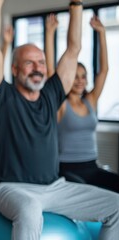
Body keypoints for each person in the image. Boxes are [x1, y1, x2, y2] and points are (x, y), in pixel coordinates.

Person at [0, 0, 119, 239]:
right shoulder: (1, 96)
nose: (37, 68)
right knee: (30, 208)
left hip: (55, 187)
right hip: (10, 188)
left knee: (116, 205)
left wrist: (76, 6)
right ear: (14, 69)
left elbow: (73, 49)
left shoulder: (51, 95)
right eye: (29, 63)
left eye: (41, 63)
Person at [45, 14, 119, 193]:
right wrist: (49, 33)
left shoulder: (90, 101)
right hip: (67, 168)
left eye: (83, 76)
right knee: (91, 194)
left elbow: (103, 71)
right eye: (75, 76)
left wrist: (101, 32)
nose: (79, 80)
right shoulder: (61, 104)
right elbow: (50, 72)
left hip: (92, 165)